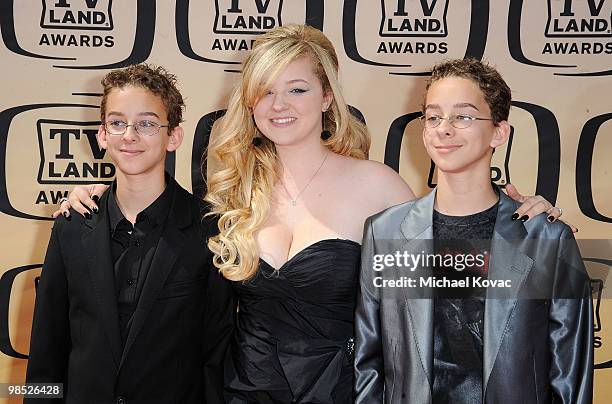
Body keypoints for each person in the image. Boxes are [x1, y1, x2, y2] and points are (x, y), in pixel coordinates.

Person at [55, 27, 562, 403]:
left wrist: (518, 227)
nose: (279, 105)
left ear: (326, 98)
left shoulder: (377, 188)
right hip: (241, 393)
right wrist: (93, 207)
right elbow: (148, 316)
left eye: (296, 89)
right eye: (265, 91)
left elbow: (452, 301)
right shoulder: (229, 197)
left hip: (342, 392)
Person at [354, 58, 593, 404]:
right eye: (433, 117)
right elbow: (368, 363)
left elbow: (570, 377)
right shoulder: (384, 232)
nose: (444, 128)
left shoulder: (546, 239)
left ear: (499, 131)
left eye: (463, 116)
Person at [26, 64, 234, 403]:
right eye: (118, 122)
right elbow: (45, 357)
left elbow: (217, 356)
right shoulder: (71, 226)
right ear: (102, 135)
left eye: (147, 123)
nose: (130, 135)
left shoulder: (209, 230)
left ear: (174, 137)